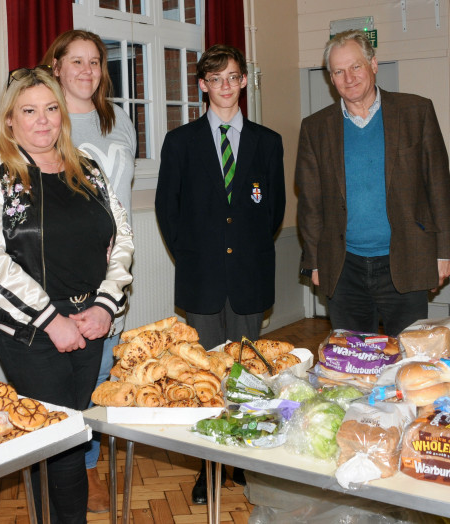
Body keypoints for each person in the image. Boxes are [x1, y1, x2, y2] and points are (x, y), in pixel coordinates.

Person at [0, 66, 133, 524]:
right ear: (10, 120)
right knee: (58, 441)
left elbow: (122, 241)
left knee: (75, 434)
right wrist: (50, 319)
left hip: (90, 324)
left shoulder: (88, 169)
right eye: (29, 111)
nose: (43, 121)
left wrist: (104, 306)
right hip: (30, 334)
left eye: (51, 109)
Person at [154, 44, 285, 504]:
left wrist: (242, 253)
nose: (225, 86)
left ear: (244, 81)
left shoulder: (268, 142)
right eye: (216, 79)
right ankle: (208, 467)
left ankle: (245, 460)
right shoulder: (181, 142)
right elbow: (167, 211)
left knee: (247, 375)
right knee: (206, 379)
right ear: (203, 85)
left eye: (233, 77)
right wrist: (194, 256)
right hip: (202, 280)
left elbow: (273, 212)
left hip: (248, 278)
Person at [295, 30, 450, 338]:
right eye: (338, 71)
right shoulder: (315, 128)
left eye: (355, 66)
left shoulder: (416, 112)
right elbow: (310, 203)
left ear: (373, 64)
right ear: (331, 78)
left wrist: (444, 251)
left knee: (409, 358)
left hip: (406, 259)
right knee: (353, 364)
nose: (349, 77)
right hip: (344, 269)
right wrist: (314, 262)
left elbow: (437, 185)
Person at [42, 29, 137, 514]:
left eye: (95, 62)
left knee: (98, 370)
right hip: (59, 273)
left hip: (109, 272)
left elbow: (120, 195)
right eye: (75, 61)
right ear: (56, 65)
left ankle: (88, 465)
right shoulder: (44, 118)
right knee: (56, 373)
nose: (86, 70)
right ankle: (57, 467)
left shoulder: (118, 119)